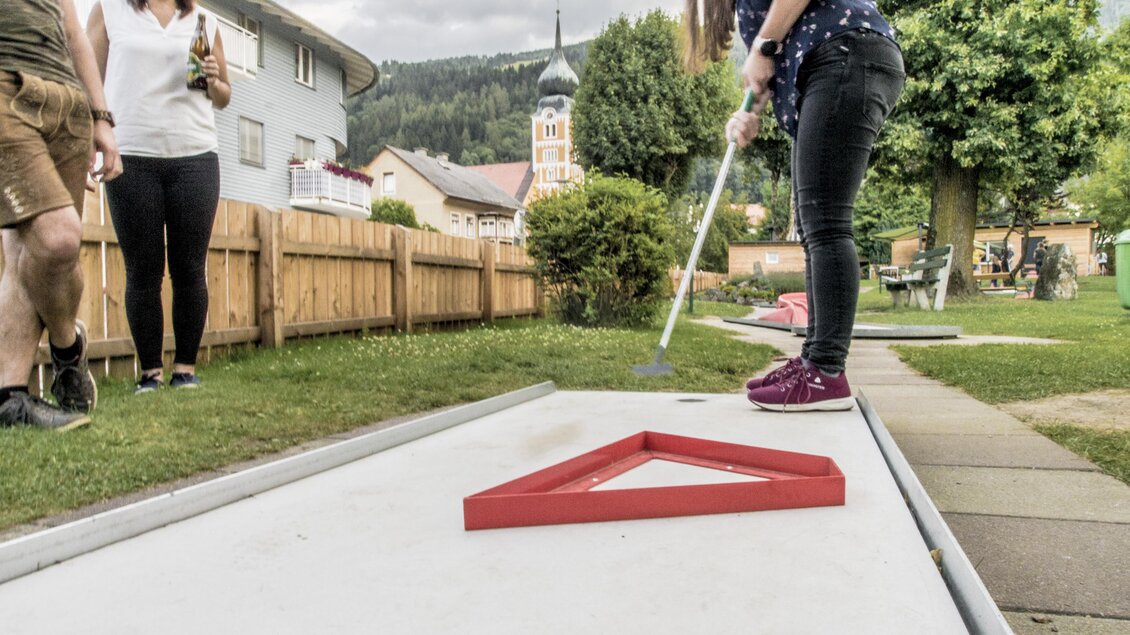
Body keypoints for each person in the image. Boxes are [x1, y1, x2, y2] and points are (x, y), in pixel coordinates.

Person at [685, 0, 904, 411]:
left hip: (844, 52)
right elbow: (774, 62)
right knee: (812, 227)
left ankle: (826, 372)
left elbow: (775, 42)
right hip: (835, 58)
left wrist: (762, 46)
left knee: (827, 223)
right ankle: (814, 362)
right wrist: (750, 109)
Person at [87, 0, 230, 393]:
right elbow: (89, 80)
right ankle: (149, 373)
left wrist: (215, 80)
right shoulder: (110, 10)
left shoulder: (204, 19)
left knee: (189, 268)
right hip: (131, 154)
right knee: (143, 271)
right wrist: (92, 135)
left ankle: (184, 369)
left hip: (196, 155)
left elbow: (222, 96)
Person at [0, 0, 122, 431]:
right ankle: (68, 348)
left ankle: (9, 398)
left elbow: (73, 33)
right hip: (7, 88)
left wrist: (99, 117)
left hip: (65, 103)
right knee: (59, 237)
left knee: (28, 250)